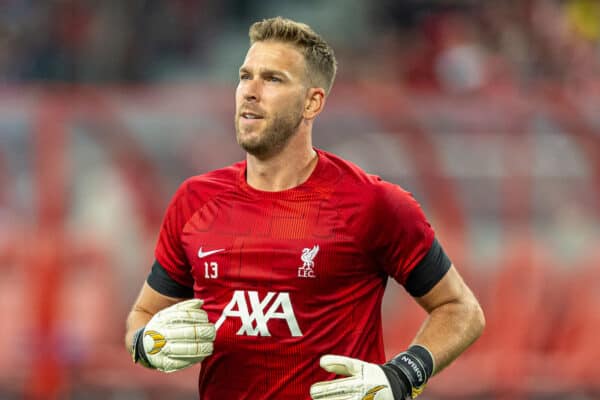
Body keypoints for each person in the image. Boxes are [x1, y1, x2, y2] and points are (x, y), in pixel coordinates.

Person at [125, 16, 485, 400]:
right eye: (245, 76)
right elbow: (141, 318)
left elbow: (460, 309)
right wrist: (147, 345)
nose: (250, 91)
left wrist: (402, 375)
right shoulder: (194, 200)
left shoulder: (372, 204)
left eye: (273, 79)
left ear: (312, 102)